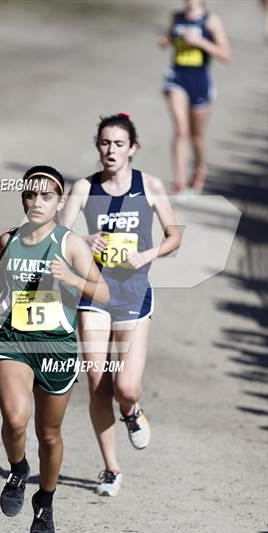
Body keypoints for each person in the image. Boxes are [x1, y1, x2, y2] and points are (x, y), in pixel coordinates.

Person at [0, 165, 109, 533]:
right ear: (24, 198)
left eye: (46, 196)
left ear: (60, 202)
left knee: (49, 435)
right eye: (31, 195)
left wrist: (70, 278)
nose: (37, 202)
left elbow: (103, 295)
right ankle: (18, 469)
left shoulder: (71, 244)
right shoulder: (9, 240)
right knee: (16, 420)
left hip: (57, 346)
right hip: (13, 341)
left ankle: (45, 502)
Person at [59, 113, 181, 496]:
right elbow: (58, 238)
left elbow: (174, 235)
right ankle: (111, 468)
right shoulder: (83, 188)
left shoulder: (150, 186)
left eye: (118, 144)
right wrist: (84, 239)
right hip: (93, 294)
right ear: (98, 147)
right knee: (98, 385)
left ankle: (131, 411)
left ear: (133, 149)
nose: (110, 150)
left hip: (134, 295)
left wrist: (148, 256)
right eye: (104, 143)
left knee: (126, 386)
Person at [159, 0, 231, 193]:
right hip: (177, 77)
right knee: (180, 130)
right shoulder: (177, 17)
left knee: (196, 135)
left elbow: (225, 55)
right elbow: (167, 40)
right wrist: (165, 41)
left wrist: (200, 42)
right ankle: (179, 181)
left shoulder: (211, 21)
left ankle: (200, 168)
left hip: (200, 80)